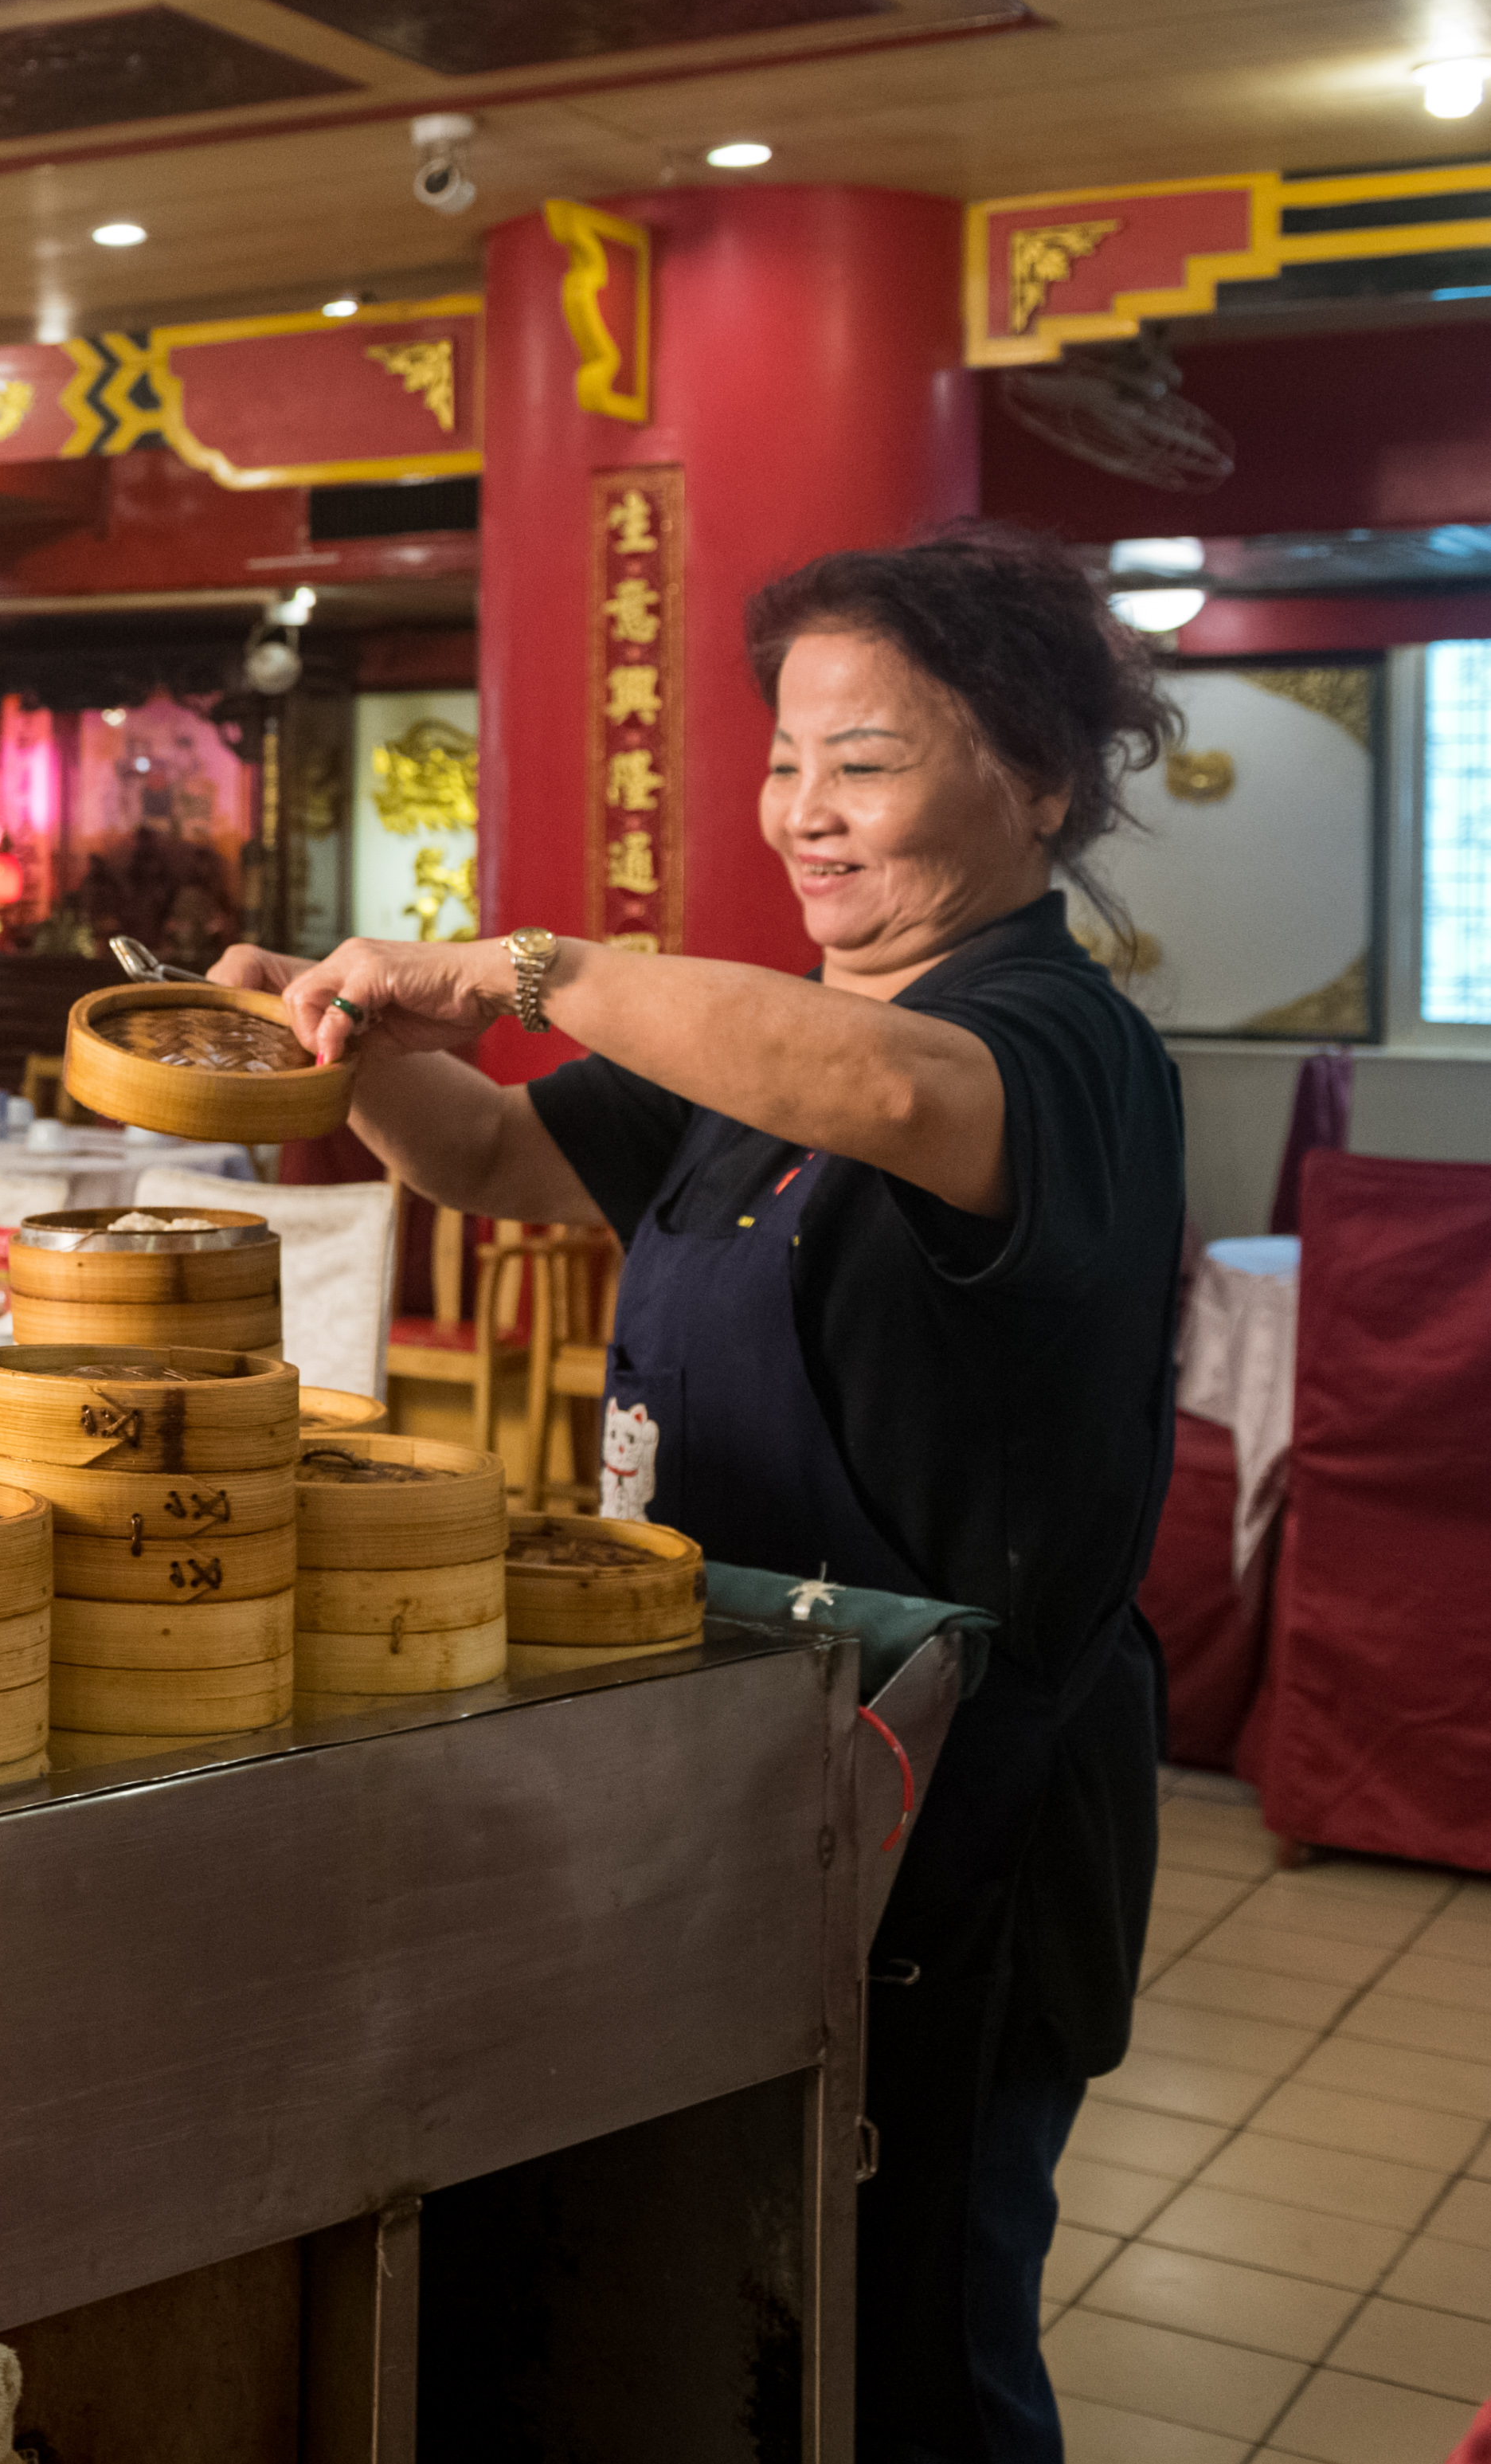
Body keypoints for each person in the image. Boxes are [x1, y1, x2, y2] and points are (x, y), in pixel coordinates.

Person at [211, 523, 1178, 2464]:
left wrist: (525, 965)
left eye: (866, 762)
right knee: (731, 2307)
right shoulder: (757, 1044)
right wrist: (342, 1045)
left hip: (957, 1819)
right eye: (786, 758)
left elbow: (892, 1095)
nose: (804, 811)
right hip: (735, 1771)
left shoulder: (1058, 1046)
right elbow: (492, 1154)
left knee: (919, 2340)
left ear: (1041, 784)